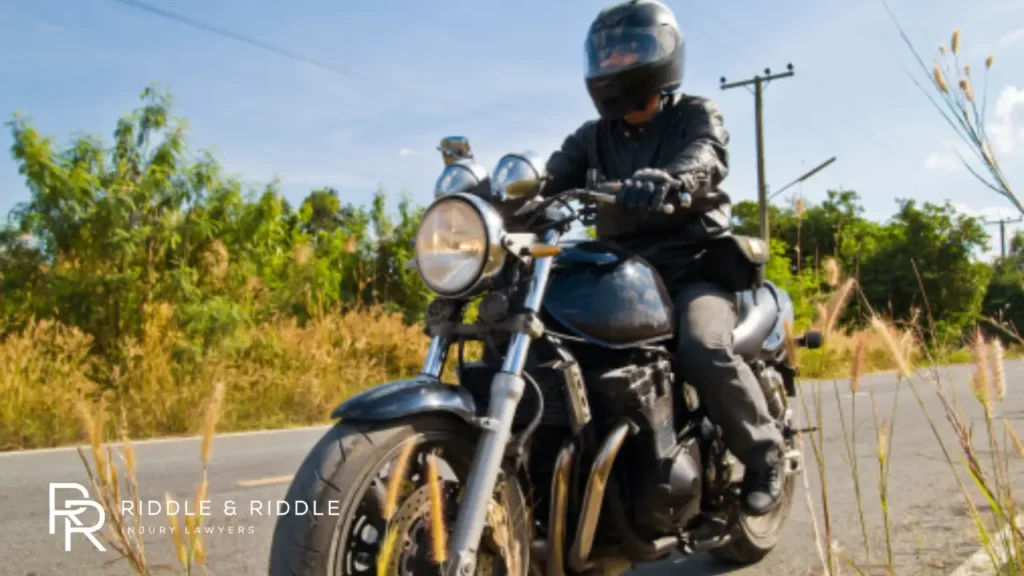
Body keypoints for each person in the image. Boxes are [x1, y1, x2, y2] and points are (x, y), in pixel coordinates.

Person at [540, 0, 785, 516]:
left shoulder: (696, 113)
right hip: (622, 276)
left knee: (700, 346)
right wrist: (501, 200)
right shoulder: (591, 137)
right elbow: (549, 181)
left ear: (663, 54)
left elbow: (707, 154)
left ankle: (765, 455)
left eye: (631, 47)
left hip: (693, 267)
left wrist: (673, 178)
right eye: (606, 53)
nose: (616, 60)